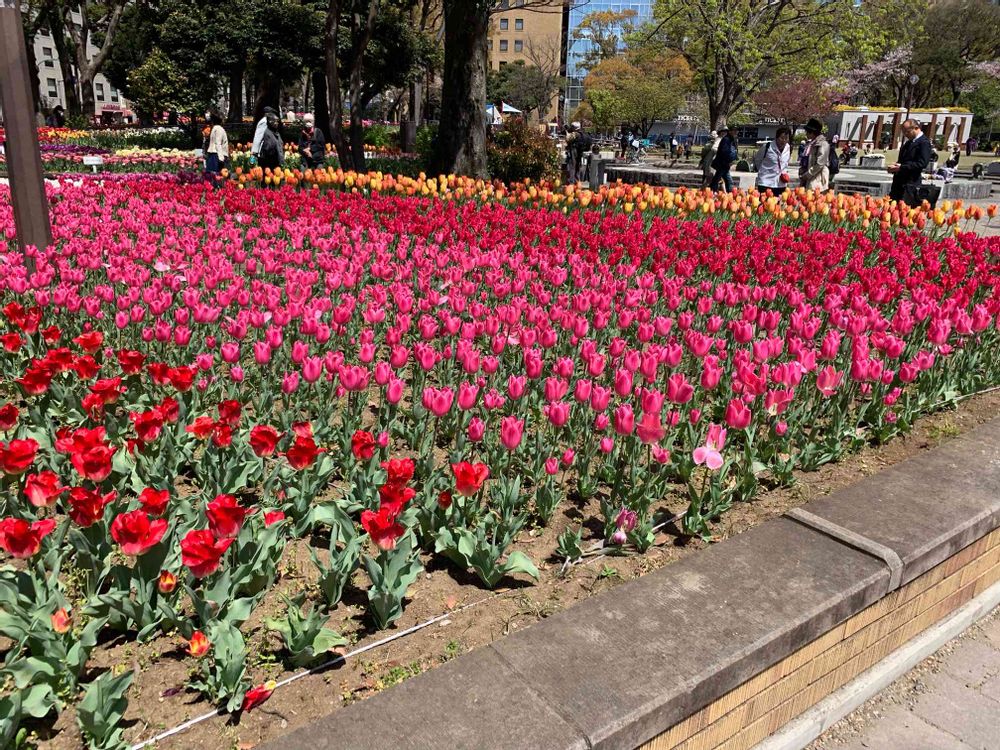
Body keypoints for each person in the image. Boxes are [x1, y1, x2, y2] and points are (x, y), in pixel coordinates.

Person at [888, 118, 932, 204]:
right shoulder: (909, 142)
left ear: (916, 128)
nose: (905, 134)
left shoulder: (924, 143)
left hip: (910, 184)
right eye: (904, 132)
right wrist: (896, 166)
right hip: (899, 183)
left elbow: (922, 163)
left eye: (907, 132)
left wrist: (901, 167)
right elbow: (904, 160)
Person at [753, 127, 792, 194]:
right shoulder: (767, 147)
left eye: (786, 138)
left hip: (780, 183)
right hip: (766, 182)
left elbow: (785, 164)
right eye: (782, 138)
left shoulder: (788, 148)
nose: (784, 141)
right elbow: (758, 160)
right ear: (776, 137)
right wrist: (764, 171)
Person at [799, 118, 831, 191]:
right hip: (809, 178)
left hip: (817, 179)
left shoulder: (823, 144)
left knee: (815, 199)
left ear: (813, 132)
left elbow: (820, 164)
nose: (806, 134)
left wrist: (807, 174)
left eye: (807, 132)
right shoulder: (811, 143)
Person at [710, 127, 738, 192]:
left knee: (719, 178)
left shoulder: (731, 139)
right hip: (722, 163)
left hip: (724, 164)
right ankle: (713, 191)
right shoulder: (726, 139)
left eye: (737, 131)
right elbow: (724, 151)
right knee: (721, 179)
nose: (736, 132)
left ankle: (712, 191)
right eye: (734, 130)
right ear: (730, 131)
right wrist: (729, 159)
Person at [205, 111, 229, 179]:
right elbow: (218, 143)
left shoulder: (214, 128)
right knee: (217, 177)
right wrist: (221, 158)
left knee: (211, 176)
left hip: (212, 154)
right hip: (217, 155)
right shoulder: (219, 129)